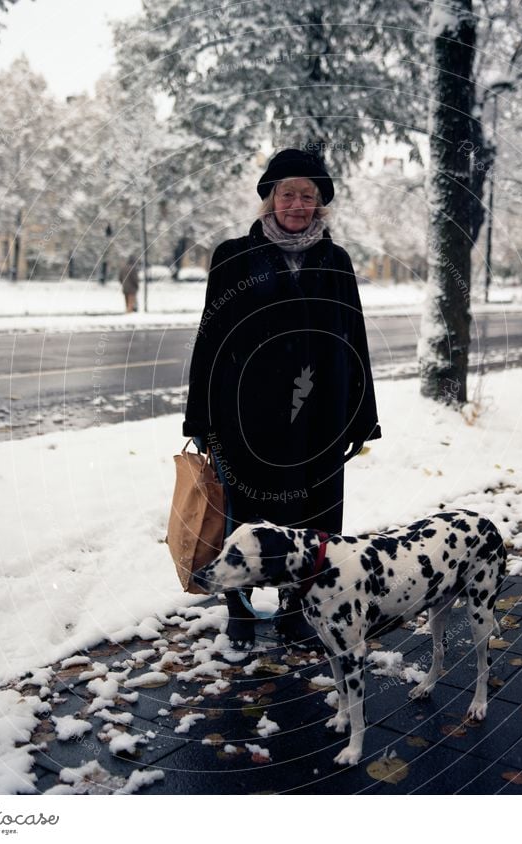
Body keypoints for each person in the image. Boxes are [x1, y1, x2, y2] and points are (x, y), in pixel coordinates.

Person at [183, 148, 382, 650]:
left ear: (321, 205)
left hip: (319, 418)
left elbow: (352, 338)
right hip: (245, 421)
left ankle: (297, 608)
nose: (297, 203)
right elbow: (209, 340)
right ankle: (241, 611)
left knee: (314, 520)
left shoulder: (336, 261)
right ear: (269, 199)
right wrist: (201, 420)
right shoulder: (233, 257)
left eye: (308, 196)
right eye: (287, 193)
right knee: (243, 519)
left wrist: (362, 417)